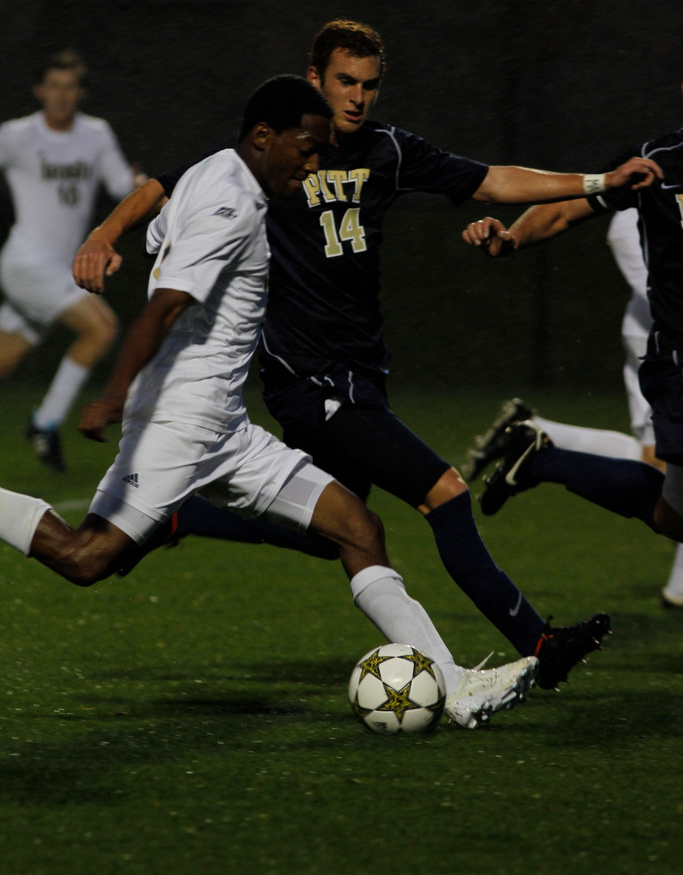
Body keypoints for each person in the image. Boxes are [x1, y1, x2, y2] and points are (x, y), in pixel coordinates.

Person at [73, 20, 660, 689]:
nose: (357, 97)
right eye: (344, 82)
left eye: (369, 85)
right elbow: (164, 185)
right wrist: (103, 232)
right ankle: (537, 641)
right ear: (315, 79)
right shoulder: (277, 153)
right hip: (308, 378)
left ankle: (181, 516)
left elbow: (493, 180)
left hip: (360, 374)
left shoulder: (388, 152)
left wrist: (596, 181)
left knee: (335, 529)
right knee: (445, 494)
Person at [0, 74, 542, 731]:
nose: (313, 164)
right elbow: (165, 305)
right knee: (86, 558)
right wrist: (113, 392)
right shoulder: (231, 205)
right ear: (264, 138)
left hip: (224, 423)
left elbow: (158, 227)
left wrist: (114, 240)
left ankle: (452, 685)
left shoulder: (209, 173)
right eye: (306, 150)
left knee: (358, 529)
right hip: (180, 423)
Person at [460, 116, 683, 558]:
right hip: (681, 365)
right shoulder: (659, 164)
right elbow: (565, 208)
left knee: (673, 516)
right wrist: (512, 238)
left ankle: (543, 457)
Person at [0, 49, 143, 471]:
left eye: (70, 87)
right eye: (54, 86)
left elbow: (121, 184)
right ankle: (45, 423)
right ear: (40, 90)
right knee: (101, 328)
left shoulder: (96, 134)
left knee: (5, 358)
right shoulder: (16, 134)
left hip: (59, 269)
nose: (62, 96)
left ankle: (43, 423)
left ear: (80, 92)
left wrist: (139, 183)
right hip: (26, 262)